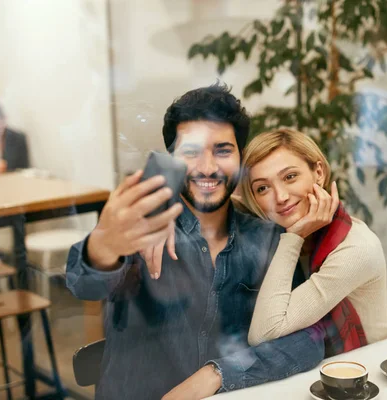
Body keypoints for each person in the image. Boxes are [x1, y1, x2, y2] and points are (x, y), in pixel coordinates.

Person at [65, 83, 326, 400]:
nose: (207, 167)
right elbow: (84, 285)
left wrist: (216, 374)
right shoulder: (144, 227)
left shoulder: (268, 238)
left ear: (240, 158)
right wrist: (104, 245)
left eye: (222, 150)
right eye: (191, 152)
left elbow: (308, 339)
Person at [239, 128, 387, 355]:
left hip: (362, 370)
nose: (280, 197)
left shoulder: (356, 248)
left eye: (290, 177)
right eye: (263, 188)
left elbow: (264, 333)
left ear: (318, 172)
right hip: (313, 371)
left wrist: (294, 237)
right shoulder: (275, 231)